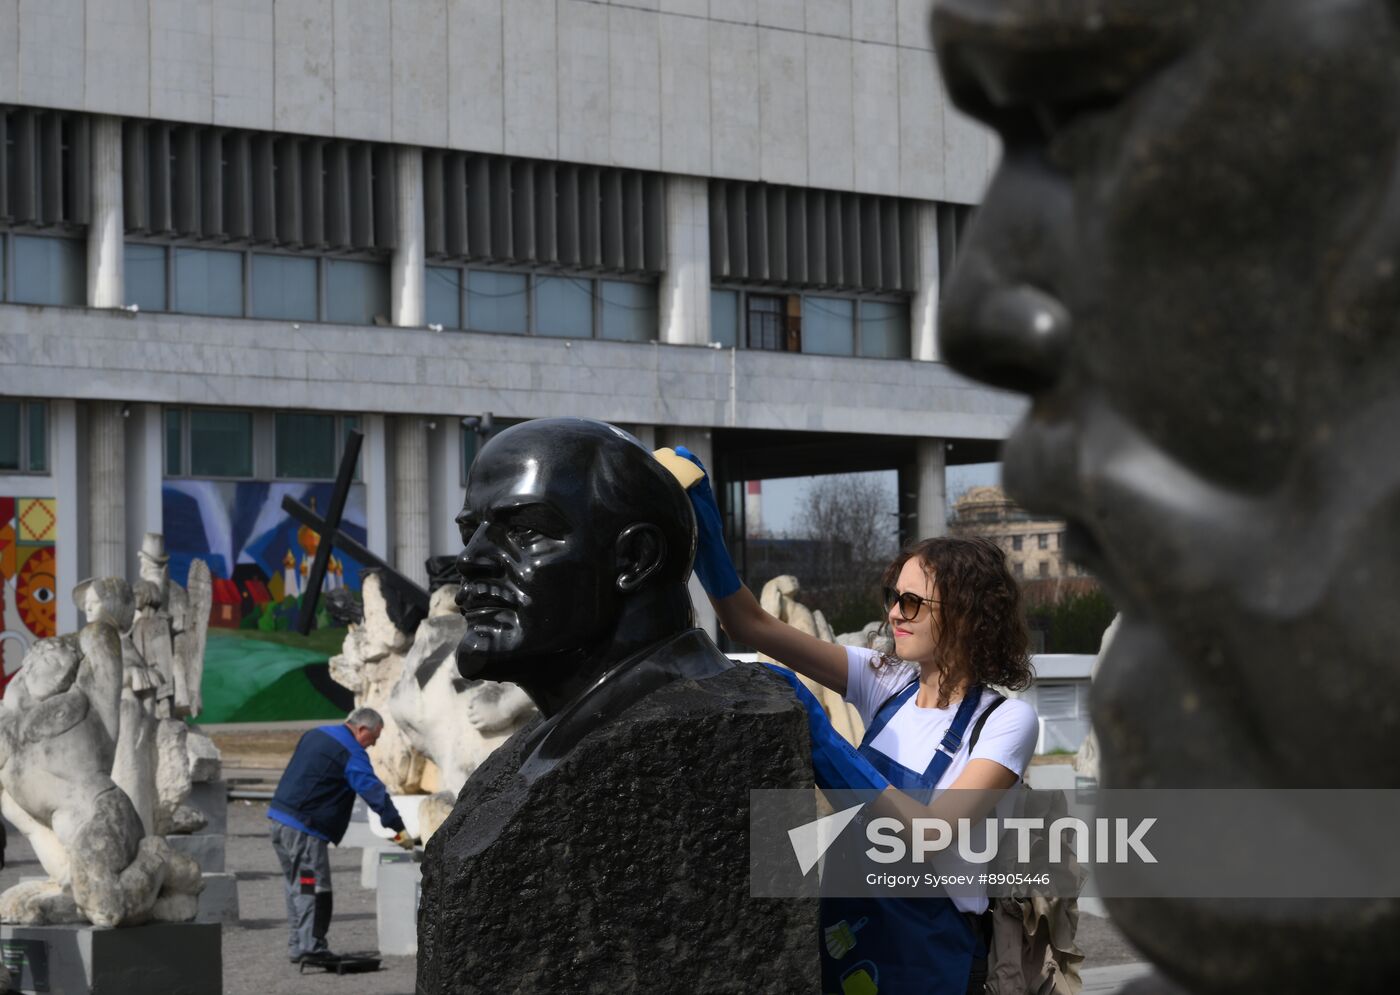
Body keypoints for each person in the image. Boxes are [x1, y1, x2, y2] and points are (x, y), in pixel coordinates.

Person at [676, 448, 1039, 995]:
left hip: (931, 956)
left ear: (964, 615)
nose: (894, 613)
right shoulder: (885, 680)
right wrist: (703, 530)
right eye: (894, 598)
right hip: (854, 938)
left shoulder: (1005, 720)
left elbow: (930, 834)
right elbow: (750, 625)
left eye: (914, 603)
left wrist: (822, 741)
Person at [268, 707, 414, 964]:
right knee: (312, 887)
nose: (374, 744)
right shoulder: (350, 752)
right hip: (304, 830)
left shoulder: (317, 734)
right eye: (375, 737)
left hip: (280, 820)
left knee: (296, 886)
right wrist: (397, 826)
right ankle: (311, 947)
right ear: (362, 730)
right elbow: (372, 790)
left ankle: (298, 945)